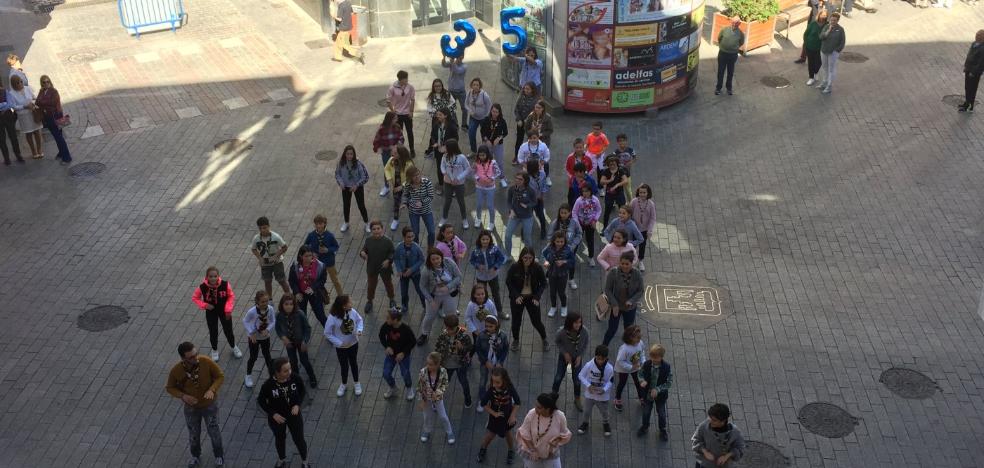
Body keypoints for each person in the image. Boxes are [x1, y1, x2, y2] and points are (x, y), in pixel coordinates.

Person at [165, 342, 226, 468]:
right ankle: (195, 456)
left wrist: (212, 390)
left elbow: (220, 376)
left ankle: (219, 456)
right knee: (193, 433)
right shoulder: (176, 370)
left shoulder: (206, 361)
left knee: (214, 431)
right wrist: (183, 396)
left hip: (209, 405)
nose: (196, 358)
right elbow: (170, 387)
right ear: (183, 358)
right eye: (191, 357)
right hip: (191, 407)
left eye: (196, 354)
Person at [258, 358, 311, 468]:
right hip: (278, 418)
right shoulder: (268, 385)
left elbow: (302, 391)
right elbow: (261, 401)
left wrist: (297, 404)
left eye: (290, 369)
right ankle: (282, 459)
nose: (290, 372)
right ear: (277, 373)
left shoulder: (295, 378)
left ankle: (305, 461)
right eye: (286, 371)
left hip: (294, 415)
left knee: (299, 439)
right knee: (280, 438)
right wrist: (273, 414)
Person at [191, 266, 242, 362]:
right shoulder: (202, 287)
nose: (213, 278)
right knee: (213, 331)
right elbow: (195, 298)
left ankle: (233, 346)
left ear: (218, 276)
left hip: (224, 311)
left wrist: (228, 310)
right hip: (211, 312)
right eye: (211, 276)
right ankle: (214, 350)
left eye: (215, 276)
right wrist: (205, 305)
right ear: (207, 277)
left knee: (228, 330)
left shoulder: (225, 285)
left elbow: (231, 297)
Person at [506, 247, 549, 351]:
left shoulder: (537, 267)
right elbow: (509, 282)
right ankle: (516, 340)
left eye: (530, 258)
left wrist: (537, 297)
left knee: (536, 321)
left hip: (532, 298)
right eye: (525, 258)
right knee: (516, 322)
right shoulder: (515, 267)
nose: (528, 260)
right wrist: (516, 295)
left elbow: (543, 283)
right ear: (521, 257)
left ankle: (544, 339)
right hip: (518, 299)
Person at [418, 247, 463, 345]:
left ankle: (454, 333)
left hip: (449, 294)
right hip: (434, 296)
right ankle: (424, 334)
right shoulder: (426, 270)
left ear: (441, 257)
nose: (436, 261)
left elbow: (459, 276)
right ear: (429, 260)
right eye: (433, 259)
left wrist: (448, 287)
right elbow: (422, 286)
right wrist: (430, 301)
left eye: (437, 258)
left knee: (451, 315)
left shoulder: (449, 263)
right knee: (429, 317)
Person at [476, 368, 522, 464]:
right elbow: (483, 404)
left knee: (508, 435)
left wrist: (513, 416)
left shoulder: (509, 388)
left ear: (504, 380)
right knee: (490, 435)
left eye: (497, 382)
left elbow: (517, 402)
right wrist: (494, 413)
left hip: (507, 416)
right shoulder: (491, 389)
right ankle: (483, 449)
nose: (494, 384)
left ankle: (511, 450)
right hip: (495, 417)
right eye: (493, 381)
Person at [517, 393, 572, 468]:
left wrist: (557, 440)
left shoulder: (560, 416)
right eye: (535, 405)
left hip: (550, 453)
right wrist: (533, 450)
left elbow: (565, 434)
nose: (535, 408)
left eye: (539, 407)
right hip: (533, 453)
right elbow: (524, 433)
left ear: (547, 409)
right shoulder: (532, 414)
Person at [325, 294, 365, 397]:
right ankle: (344, 384)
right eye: (349, 302)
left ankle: (357, 383)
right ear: (343, 306)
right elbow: (327, 333)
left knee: (354, 363)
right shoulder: (332, 317)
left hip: (353, 344)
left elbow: (359, 320)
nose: (352, 303)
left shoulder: (352, 311)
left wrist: (359, 330)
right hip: (341, 348)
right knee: (344, 366)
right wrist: (340, 343)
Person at [275, 295, 318, 388]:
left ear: (294, 305)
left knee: (304, 361)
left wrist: (305, 341)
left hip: (300, 342)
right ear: (282, 305)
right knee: (293, 362)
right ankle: (296, 379)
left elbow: (307, 328)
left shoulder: (300, 314)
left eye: (291, 304)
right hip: (289, 343)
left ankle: (312, 376)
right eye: (286, 304)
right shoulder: (279, 315)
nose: (288, 306)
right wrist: (283, 337)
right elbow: (277, 328)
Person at [602, 252, 643, 346]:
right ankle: (603, 347)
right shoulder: (613, 272)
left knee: (628, 330)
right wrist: (614, 304)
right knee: (612, 329)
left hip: (630, 308)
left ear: (632, 263)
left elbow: (640, 290)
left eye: (627, 264)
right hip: (616, 306)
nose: (624, 266)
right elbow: (607, 289)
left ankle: (628, 348)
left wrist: (631, 301)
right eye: (622, 263)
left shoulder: (637, 274)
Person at [435, 315, 474, 408]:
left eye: (451, 329)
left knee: (464, 382)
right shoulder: (443, 335)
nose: (449, 331)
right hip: (447, 365)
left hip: (460, 364)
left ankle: (468, 399)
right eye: (447, 328)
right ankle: (436, 399)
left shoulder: (464, 336)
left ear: (457, 326)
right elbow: (437, 348)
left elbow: (469, 349)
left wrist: (461, 348)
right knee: (442, 383)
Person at [552, 312, 589, 412]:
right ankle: (553, 396)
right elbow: (557, 341)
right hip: (564, 357)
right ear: (570, 323)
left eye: (580, 322)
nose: (578, 325)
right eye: (575, 323)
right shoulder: (562, 332)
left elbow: (586, 343)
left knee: (577, 380)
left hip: (577, 358)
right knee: (558, 377)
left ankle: (577, 398)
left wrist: (580, 356)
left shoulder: (584, 331)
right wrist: (564, 353)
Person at [379, 306, 417, 400]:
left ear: (395, 320)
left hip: (403, 356)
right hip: (391, 354)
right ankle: (393, 387)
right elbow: (381, 335)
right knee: (386, 373)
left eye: (388, 318)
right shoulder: (386, 326)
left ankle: (409, 388)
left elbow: (412, 342)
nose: (386, 319)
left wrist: (403, 353)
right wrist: (387, 346)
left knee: (405, 373)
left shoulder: (406, 329)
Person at [418, 351, 456, 445]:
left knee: (443, 416)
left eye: (431, 365)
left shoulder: (443, 372)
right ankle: (427, 430)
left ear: (437, 364)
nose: (428, 366)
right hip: (427, 398)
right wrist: (422, 399)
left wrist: (438, 393)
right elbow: (420, 386)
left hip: (438, 398)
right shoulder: (423, 372)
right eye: (427, 364)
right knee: (427, 416)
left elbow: (445, 384)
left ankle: (449, 432)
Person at [577, 345, 615, 437]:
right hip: (590, 395)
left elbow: (611, 381)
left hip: (602, 396)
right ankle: (585, 423)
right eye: (598, 358)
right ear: (595, 356)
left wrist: (604, 389)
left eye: (602, 359)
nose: (600, 361)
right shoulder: (589, 365)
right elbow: (581, 375)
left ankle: (606, 423)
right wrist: (588, 385)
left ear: (606, 358)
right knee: (586, 411)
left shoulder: (609, 368)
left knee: (604, 412)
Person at [360, 220, 396, 314]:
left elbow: (392, 252)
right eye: (374, 229)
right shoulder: (368, 240)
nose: (376, 231)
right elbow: (364, 249)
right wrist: (362, 253)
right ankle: (370, 301)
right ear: (371, 230)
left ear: (382, 229)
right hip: (372, 266)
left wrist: (388, 260)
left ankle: (392, 299)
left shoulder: (387, 241)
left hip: (385, 267)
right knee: (371, 286)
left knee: (388, 284)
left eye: (378, 228)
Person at [637, 344, 673, 440]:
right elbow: (640, 373)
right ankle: (645, 427)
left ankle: (662, 430)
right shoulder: (647, 364)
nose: (653, 360)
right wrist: (642, 380)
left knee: (661, 413)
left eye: (656, 358)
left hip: (660, 396)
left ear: (661, 357)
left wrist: (657, 389)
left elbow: (669, 383)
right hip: (647, 394)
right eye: (652, 357)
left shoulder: (667, 367)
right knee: (646, 412)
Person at [469, 229, 508, 318]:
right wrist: (478, 266)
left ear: (490, 239)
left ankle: (499, 311)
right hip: (481, 277)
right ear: (480, 240)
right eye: (483, 239)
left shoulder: (494, 249)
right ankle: (482, 312)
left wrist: (495, 267)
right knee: (481, 295)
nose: (485, 241)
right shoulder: (476, 251)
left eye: (487, 239)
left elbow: (501, 258)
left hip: (493, 276)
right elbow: (472, 260)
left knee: (496, 294)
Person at [288, 246, 329, 329]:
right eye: (306, 256)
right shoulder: (295, 266)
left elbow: (322, 280)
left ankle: (330, 331)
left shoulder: (320, 266)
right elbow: (292, 281)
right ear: (300, 256)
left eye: (310, 255)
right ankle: (304, 333)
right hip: (301, 294)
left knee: (320, 314)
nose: (308, 258)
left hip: (315, 293)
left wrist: (313, 288)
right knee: (301, 315)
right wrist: (297, 293)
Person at [692, 404, 745, 468]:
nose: (710, 421)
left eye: (714, 420)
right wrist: (705, 452)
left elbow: (740, 449)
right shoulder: (704, 426)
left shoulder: (734, 432)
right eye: (710, 418)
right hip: (704, 464)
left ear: (723, 421)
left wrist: (727, 456)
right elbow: (696, 440)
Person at [474, 315, 510, 410]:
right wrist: (485, 361)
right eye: (486, 326)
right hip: (485, 363)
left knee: (499, 381)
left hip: (497, 363)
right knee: (483, 381)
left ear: (496, 325)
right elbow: (478, 349)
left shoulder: (502, 336)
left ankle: (501, 397)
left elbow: (506, 349)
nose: (488, 328)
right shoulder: (482, 336)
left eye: (491, 326)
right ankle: (483, 401)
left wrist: (500, 362)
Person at [304, 214, 345, 295]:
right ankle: (323, 296)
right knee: (318, 280)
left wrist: (327, 250)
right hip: (317, 262)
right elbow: (305, 245)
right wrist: (312, 253)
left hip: (329, 261)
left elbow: (336, 246)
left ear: (324, 224)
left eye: (320, 224)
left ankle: (341, 296)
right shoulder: (311, 235)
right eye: (316, 224)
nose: (318, 226)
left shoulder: (330, 235)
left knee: (335, 280)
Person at [34, 75, 71, 164]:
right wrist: (44, 103)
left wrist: (42, 102)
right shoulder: (42, 91)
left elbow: (52, 102)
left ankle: (67, 158)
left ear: (50, 82)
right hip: (48, 117)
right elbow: (37, 102)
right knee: (57, 136)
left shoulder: (54, 92)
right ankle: (61, 153)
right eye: (44, 82)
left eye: (47, 81)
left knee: (59, 137)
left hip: (56, 116)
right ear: (41, 83)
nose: (46, 83)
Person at [243, 290, 276, 388]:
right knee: (253, 357)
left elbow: (273, 320)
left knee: (267, 356)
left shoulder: (270, 309)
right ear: (257, 301)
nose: (265, 304)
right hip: (254, 338)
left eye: (266, 301)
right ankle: (248, 375)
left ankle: (272, 376)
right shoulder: (252, 311)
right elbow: (245, 321)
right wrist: (251, 333)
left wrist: (268, 330)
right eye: (262, 302)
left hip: (265, 337)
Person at [251, 217, 291, 297]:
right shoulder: (256, 238)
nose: (263, 230)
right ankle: (269, 300)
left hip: (277, 263)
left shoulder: (276, 236)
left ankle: (289, 296)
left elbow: (285, 247)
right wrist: (260, 258)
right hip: (265, 264)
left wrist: (276, 256)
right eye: (260, 228)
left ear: (269, 226)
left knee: (281, 280)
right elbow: (253, 249)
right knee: (267, 281)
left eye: (265, 228)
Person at [335, 144, 371, 232]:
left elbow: (365, 177)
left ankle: (367, 223)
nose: (349, 156)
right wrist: (341, 183)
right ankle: (346, 222)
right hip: (346, 187)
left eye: (351, 154)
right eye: (347, 154)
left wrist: (357, 185)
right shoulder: (341, 163)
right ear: (345, 154)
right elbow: (337, 174)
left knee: (361, 205)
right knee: (346, 205)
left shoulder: (358, 164)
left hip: (357, 187)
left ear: (354, 154)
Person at [5, 75, 42, 159]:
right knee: (29, 133)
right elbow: (14, 106)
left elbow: (34, 97)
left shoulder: (27, 88)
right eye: (18, 82)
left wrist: (33, 102)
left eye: (21, 81)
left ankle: (39, 149)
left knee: (37, 132)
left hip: (33, 113)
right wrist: (24, 106)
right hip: (24, 117)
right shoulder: (11, 93)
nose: (20, 83)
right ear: (14, 84)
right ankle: (34, 151)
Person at [548, 204, 583, 290]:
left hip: (570, 248)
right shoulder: (555, 223)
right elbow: (550, 235)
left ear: (569, 213)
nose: (563, 215)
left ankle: (571, 279)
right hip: (557, 248)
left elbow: (579, 234)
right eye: (561, 213)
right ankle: (549, 276)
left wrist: (573, 245)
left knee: (571, 263)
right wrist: (554, 245)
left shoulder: (574, 222)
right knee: (554, 262)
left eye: (565, 213)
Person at [541, 231, 576, 318]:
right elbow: (543, 254)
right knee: (552, 292)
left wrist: (564, 261)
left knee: (561, 292)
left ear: (564, 241)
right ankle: (553, 307)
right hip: (552, 273)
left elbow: (573, 261)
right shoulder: (549, 247)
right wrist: (545, 261)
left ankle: (564, 306)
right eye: (557, 241)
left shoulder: (568, 249)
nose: (559, 243)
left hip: (563, 274)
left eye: (562, 241)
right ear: (554, 241)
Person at [504, 173, 538, 259]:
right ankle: (508, 255)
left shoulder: (530, 191)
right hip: (515, 216)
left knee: (527, 238)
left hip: (527, 217)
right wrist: (511, 210)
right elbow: (508, 201)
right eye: (516, 178)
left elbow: (535, 202)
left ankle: (529, 256)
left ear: (525, 181)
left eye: (520, 179)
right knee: (507, 236)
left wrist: (527, 206)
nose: (517, 181)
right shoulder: (512, 189)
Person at [613, 324, 645, 411]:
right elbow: (620, 361)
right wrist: (630, 367)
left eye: (639, 337)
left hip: (636, 367)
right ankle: (617, 399)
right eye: (637, 337)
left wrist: (643, 361)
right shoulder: (625, 349)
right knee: (622, 383)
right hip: (624, 370)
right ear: (630, 337)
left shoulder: (640, 343)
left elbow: (642, 352)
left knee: (638, 383)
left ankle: (641, 397)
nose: (639, 339)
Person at [394, 227, 427, 314]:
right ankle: (404, 306)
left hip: (415, 273)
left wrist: (412, 269)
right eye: (408, 237)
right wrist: (399, 270)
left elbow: (422, 259)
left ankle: (425, 305)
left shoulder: (416, 247)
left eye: (412, 236)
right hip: (403, 274)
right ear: (404, 237)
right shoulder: (399, 247)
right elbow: (396, 258)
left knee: (420, 290)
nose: (411, 239)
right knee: (403, 292)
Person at [439, 139, 470, 228]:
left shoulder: (462, 157)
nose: (444, 148)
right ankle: (444, 218)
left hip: (459, 183)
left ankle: (464, 219)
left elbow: (468, 169)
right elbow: (442, 166)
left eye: (446, 147)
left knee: (461, 201)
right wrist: (445, 174)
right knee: (447, 201)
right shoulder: (445, 156)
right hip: (447, 182)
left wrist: (458, 178)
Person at [372, 113, 405, 197]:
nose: (396, 120)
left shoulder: (397, 127)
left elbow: (401, 138)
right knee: (387, 169)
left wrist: (396, 146)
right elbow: (376, 140)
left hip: (396, 153)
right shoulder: (381, 129)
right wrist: (377, 148)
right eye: (394, 119)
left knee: (397, 169)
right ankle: (386, 187)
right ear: (389, 119)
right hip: (386, 153)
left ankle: (398, 186)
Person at [403, 167, 437, 246]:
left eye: (418, 174)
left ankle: (430, 247)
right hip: (413, 212)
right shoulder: (408, 185)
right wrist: (404, 203)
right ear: (410, 177)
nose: (417, 177)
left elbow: (431, 196)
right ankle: (416, 247)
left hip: (426, 210)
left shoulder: (427, 182)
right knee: (414, 232)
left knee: (432, 232)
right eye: (414, 176)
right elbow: (405, 195)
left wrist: (422, 202)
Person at [384, 145, 415, 231]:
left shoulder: (409, 164)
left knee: (409, 203)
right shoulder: (392, 160)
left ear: (401, 154)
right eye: (392, 153)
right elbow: (386, 169)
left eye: (395, 153)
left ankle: (413, 220)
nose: (392, 155)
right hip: (395, 187)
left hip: (407, 188)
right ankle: (396, 219)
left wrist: (402, 186)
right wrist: (390, 181)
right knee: (396, 203)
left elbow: (411, 178)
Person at [429, 108, 458, 194]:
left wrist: (446, 147)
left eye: (440, 115)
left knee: (450, 169)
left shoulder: (452, 126)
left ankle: (453, 187)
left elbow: (456, 138)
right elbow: (432, 135)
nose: (438, 116)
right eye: (437, 114)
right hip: (438, 151)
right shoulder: (436, 124)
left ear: (445, 115)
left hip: (448, 152)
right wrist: (435, 143)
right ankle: (441, 185)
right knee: (439, 168)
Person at [388, 70, 417, 157]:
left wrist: (411, 112)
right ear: (400, 79)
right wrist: (393, 112)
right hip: (398, 114)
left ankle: (412, 149)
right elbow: (388, 101)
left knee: (410, 132)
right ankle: (400, 150)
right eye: (405, 79)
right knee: (398, 133)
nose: (407, 80)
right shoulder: (392, 88)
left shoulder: (410, 87)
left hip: (407, 114)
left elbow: (413, 100)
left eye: (407, 78)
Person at [572, 184, 602, 267]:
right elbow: (574, 212)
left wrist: (595, 220)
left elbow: (599, 210)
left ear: (590, 191)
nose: (585, 193)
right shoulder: (579, 200)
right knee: (576, 240)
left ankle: (591, 257)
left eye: (587, 191)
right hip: (580, 223)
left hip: (590, 223)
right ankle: (572, 256)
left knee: (590, 241)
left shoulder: (595, 200)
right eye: (583, 191)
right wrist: (577, 223)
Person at [473, 145, 502, 228]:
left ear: (487, 154)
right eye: (480, 155)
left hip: (490, 188)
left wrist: (492, 178)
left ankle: (491, 222)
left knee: (490, 205)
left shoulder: (493, 162)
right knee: (479, 205)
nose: (481, 157)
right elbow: (473, 172)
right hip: (479, 187)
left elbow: (498, 172)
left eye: (483, 155)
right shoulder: (476, 163)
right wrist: (478, 178)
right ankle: (478, 219)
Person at [629, 184, 657, 271]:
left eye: (644, 192)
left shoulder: (651, 204)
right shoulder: (634, 201)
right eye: (641, 192)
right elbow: (629, 213)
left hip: (644, 230)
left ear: (648, 193)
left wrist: (650, 230)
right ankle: (630, 261)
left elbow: (653, 218)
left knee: (642, 246)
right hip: (634, 229)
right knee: (632, 245)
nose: (642, 194)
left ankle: (640, 261)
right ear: (638, 192)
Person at [481, 104, 509, 186]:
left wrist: (499, 138)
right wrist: (486, 140)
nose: (494, 113)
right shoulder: (486, 119)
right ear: (491, 111)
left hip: (498, 145)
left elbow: (505, 132)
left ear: (499, 112)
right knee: (486, 161)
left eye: (496, 112)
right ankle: (486, 177)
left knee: (499, 162)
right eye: (493, 111)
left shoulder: (502, 121)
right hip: (487, 143)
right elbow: (482, 131)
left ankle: (502, 178)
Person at [715, 16, 745, 96]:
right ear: (731, 22)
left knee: (730, 72)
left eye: (736, 23)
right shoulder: (724, 29)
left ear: (739, 24)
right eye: (733, 22)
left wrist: (734, 48)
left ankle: (729, 88)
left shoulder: (740, 33)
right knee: (720, 72)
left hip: (732, 55)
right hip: (722, 53)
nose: (734, 24)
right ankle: (718, 88)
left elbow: (741, 42)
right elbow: (719, 38)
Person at [817, 12, 845, 95]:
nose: (832, 22)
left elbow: (842, 42)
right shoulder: (826, 26)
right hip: (824, 50)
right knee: (825, 67)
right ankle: (824, 82)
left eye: (834, 20)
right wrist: (828, 31)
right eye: (831, 20)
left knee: (831, 70)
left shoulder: (840, 30)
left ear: (837, 21)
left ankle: (829, 86)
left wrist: (836, 51)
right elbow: (821, 37)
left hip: (833, 53)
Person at [598, 157, 630, 227]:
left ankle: (623, 225)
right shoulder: (606, 171)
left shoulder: (620, 170)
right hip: (609, 194)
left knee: (623, 210)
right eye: (610, 165)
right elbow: (601, 182)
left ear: (617, 164)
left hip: (619, 193)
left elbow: (626, 180)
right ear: (608, 165)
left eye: (614, 164)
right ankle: (605, 227)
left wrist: (617, 184)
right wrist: (610, 180)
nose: (612, 166)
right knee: (607, 211)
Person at [0, 77, 24, 165]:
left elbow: (10, 104)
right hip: (6, 114)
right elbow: (7, 104)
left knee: (13, 136)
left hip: (8, 116)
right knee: (1, 140)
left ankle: (18, 155)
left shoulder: (5, 91)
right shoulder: (5, 92)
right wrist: (4, 105)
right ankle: (7, 158)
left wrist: (2, 106)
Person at [465, 78, 493, 153]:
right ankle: (473, 151)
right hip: (473, 117)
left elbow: (489, 106)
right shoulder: (469, 93)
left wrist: (487, 117)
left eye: (477, 85)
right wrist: (470, 110)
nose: (475, 86)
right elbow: (466, 104)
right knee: (471, 133)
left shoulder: (484, 95)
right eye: (474, 85)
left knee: (484, 135)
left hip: (483, 118)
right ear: (471, 85)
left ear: (480, 86)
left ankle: (485, 151)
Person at [513, 83, 539, 161]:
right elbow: (516, 109)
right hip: (520, 122)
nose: (525, 90)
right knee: (519, 140)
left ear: (532, 90)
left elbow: (535, 112)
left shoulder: (535, 100)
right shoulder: (521, 96)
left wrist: (528, 120)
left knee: (531, 140)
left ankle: (531, 157)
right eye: (525, 88)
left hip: (530, 124)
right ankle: (516, 156)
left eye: (528, 89)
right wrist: (518, 119)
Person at [960, 30, 984, 113]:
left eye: (979, 36)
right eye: (976, 35)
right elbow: (969, 55)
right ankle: (966, 102)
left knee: (972, 89)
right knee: (967, 87)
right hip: (968, 69)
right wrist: (966, 67)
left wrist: (973, 72)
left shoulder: (982, 48)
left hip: (974, 73)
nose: (976, 36)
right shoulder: (974, 43)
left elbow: (981, 63)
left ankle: (969, 106)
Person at [441, 54, 468, 127]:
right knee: (452, 108)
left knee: (465, 108)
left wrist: (452, 62)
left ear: (462, 57)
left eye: (460, 57)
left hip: (461, 91)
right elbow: (444, 64)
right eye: (457, 57)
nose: (458, 59)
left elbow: (458, 71)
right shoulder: (452, 64)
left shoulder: (464, 66)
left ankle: (464, 124)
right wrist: (443, 57)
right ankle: (455, 123)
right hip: (452, 90)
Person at [526, 160, 550, 241]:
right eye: (538, 164)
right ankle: (524, 230)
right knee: (527, 215)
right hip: (529, 200)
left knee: (541, 215)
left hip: (539, 199)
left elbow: (544, 186)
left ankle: (543, 229)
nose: (540, 165)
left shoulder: (542, 174)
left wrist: (542, 195)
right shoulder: (526, 177)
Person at [609, 134, 637, 199]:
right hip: (617, 174)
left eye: (623, 141)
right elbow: (612, 161)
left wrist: (630, 162)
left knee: (628, 191)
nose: (622, 142)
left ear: (626, 141)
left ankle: (630, 202)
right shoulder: (615, 152)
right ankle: (615, 201)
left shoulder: (631, 150)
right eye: (620, 141)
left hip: (627, 173)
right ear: (617, 142)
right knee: (616, 189)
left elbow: (635, 158)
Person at [803, 12, 825, 88]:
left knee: (819, 62)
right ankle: (811, 77)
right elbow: (806, 34)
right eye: (822, 15)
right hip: (810, 46)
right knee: (811, 62)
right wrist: (806, 42)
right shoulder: (813, 24)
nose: (823, 17)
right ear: (818, 15)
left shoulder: (827, 25)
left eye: (825, 16)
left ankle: (816, 72)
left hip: (821, 48)